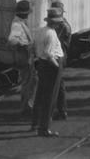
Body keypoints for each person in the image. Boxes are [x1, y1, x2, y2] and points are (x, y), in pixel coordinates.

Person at [31, 8, 65, 137]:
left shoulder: (40, 30)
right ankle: (44, 128)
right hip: (51, 65)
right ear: (55, 22)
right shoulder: (51, 33)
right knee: (50, 98)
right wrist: (57, 67)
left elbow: (35, 47)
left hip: (41, 64)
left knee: (40, 95)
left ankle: (35, 123)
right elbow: (49, 54)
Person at [7, 0, 36, 117]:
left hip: (27, 56)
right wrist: (23, 44)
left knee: (31, 81)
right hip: (24, 56)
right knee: (27, 82)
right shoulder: (17, 25)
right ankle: (26, 107)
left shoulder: (21, 22)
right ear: (24, 13)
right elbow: (11, 40)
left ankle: (28, 105)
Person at [50, 1, 72, 121]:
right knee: (58, 84)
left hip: (59, 56)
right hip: (60, 56)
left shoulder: (62, 26)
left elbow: (55, 41)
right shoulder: (63, 25)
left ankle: (62, 111)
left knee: (58, 85)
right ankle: (60, 110)